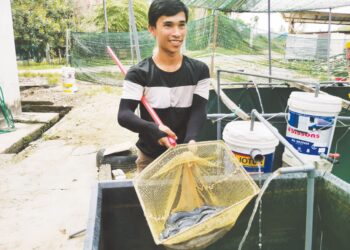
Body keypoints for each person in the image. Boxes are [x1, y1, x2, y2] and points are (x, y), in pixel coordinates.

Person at [118, 0, 210, 172]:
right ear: (152, 29)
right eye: (168, 25)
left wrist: (190, 139)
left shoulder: (200, 71)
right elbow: (124, 114)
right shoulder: (139, 73)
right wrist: (154, 129)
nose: (177, 33)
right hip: (151, 160)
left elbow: (199, 110)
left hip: (185, 157)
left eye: (181, 25)